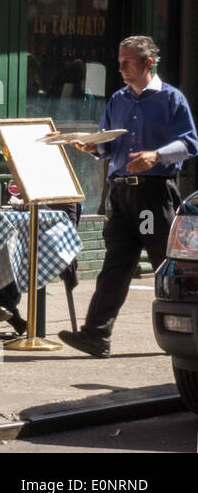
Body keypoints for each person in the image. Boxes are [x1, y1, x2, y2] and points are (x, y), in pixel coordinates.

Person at [61, 36, 198, 357]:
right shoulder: (117, 100)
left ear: (148, 63)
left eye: (127, 62)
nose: (120, 68)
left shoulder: (171, 99)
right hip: (121, 193)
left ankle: (188, 332)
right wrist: (93, 146)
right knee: (115, 265)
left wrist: (157, 155)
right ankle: (96, 334)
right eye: (119, 61)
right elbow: (107, 145)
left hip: (153, 193)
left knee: (169, 264)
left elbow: (190, 143)